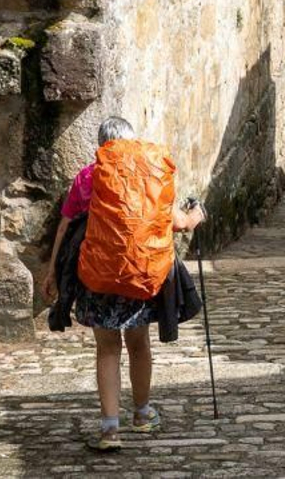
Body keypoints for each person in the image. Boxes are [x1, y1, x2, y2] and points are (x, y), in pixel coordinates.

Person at [42, 117, 206, 452]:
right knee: (138, 345)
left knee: (107, 349)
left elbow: (65, 226)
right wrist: (197, 215)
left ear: (101, 146)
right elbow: (178, 223)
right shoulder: (149, 173)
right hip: (140, 275)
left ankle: (109, 430)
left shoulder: (89, 176)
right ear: (131, 142)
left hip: (96, 276)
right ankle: (143, 415)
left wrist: (52, 272)